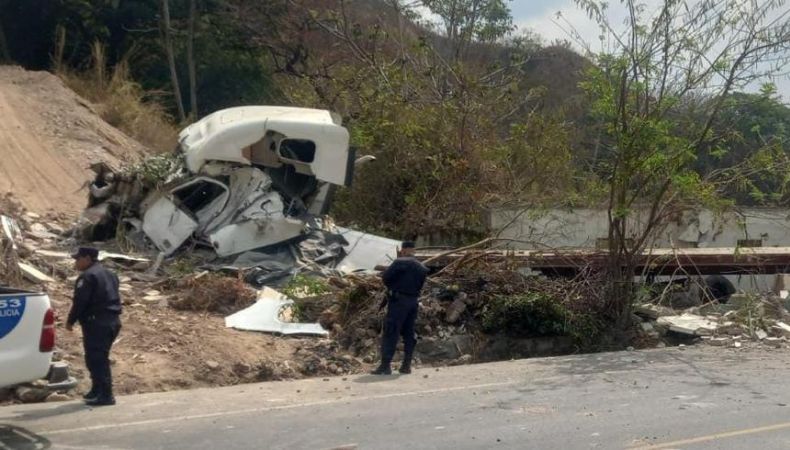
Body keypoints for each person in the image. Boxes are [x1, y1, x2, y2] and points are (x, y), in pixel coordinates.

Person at [66, 247, 122, 406]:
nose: (75, 262)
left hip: (97, 323)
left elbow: (80, 302)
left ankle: (106, 395)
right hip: (112, 321)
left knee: (97, 359)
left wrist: (70, 320)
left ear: (88, 259)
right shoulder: (110, 274)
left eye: (78, 259)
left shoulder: (88, 276)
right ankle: (97, 390)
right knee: (95, 358)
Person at [372, 241, 429, 375]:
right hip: (413, 301)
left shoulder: (399, 262)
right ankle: (406, 365)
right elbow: (421, 284)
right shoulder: (421, 267)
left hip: (398, 301)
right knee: (409, 332)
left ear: (403, 250)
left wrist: (396, 286)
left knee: (392, 331)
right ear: (413, 250)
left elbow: (385, 278)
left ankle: (385, 366)